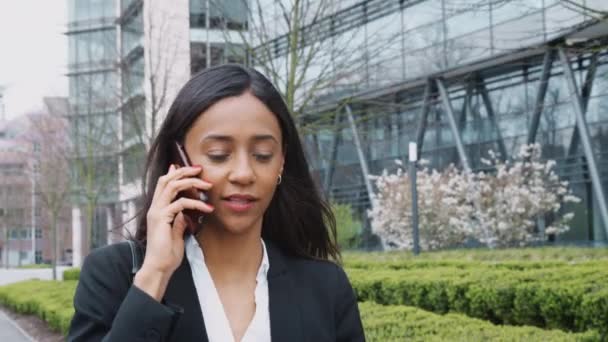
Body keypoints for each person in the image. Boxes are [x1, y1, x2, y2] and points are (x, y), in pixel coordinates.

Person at [67, 64, 365, 342]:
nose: (244, 174)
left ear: (282, 163)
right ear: (179, 160)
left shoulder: (325, 287)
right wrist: (154, 275)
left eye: (262, 155)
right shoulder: (116, 275)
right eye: (219, 154)